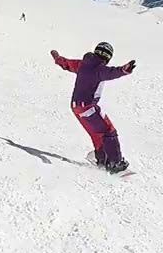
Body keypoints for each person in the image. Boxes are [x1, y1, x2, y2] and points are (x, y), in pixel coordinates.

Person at [50, 42, 136, 173]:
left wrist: (57, 58)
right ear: (107, 57)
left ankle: (102, 160)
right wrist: (123, 70)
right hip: (88, 107)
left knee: (97, 134)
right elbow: (112, 72)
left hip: (76, 107)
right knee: (109, 131)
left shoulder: (82, 64)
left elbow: (66, 63)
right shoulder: (99, 69)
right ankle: (115, 163)